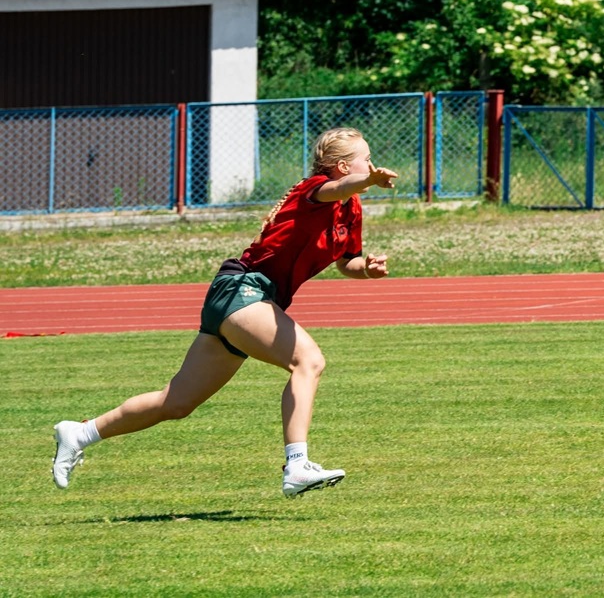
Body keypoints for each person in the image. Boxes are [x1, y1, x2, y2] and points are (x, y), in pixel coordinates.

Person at [52, 127, 398, 497]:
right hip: (243, 289)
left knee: (177, 401)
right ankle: (296, 465)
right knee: (308, 361)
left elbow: (348, 261)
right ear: (344, 166)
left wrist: (366, 268)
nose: (371, 163)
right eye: (366, 158)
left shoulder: (353, 208)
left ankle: (80, 433)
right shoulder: (315, 188)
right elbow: (337, 189)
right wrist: (367, 181)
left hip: (249, 300)